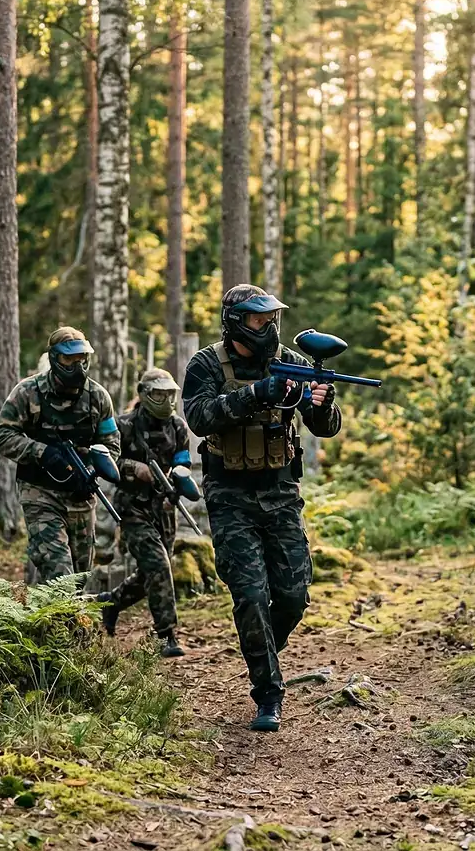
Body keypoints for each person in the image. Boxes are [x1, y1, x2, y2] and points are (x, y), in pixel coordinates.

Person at [182, 284, 341, 732]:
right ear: (236, 321)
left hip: (280, 493)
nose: (268, 326)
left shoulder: (289, 361)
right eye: (258, 320)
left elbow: (324, 427)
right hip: (230, 496)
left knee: (293, 595)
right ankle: (268, 692)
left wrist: (323, 404)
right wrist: (256, 395)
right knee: (250, 595)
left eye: (271, 318)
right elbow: (198, 416)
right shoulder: (207, 364)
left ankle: (261, 646)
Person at [0, 327, 122, 583]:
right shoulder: (28, 392)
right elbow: (2, 436)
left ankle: (49, 622)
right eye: (69, 359)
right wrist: (42, 453)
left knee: (80, 576)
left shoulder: (97, 397)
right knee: (58, 572)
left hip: (81, 496)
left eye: (82, 359)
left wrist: (94, 472)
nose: (77, 366)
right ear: (54, 358)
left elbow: (112, 444)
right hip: (40, 493)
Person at [94, 368, 192, 658]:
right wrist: (133, 468)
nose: (165, 399)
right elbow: (106, 460)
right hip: (133, 507)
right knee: (159, 566)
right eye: (158, 394)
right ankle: (167, 635)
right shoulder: (123, 425)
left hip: (164, 508)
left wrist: (176, 485)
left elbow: (182, 462)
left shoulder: (177, 427)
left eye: (169, 394)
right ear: (144, 394)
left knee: (152, 572)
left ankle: (112, 602)